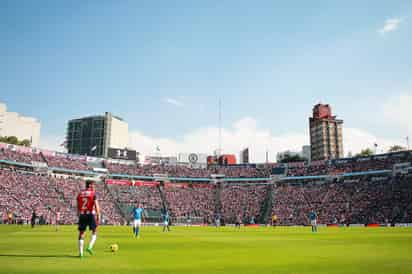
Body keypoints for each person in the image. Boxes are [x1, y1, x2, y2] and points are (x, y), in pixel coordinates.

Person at [77, 180, 100, 258]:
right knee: (95, 231)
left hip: (82, 214)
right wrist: (98, 216)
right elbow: (96, 206)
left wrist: (79, 215)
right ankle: (90, 247)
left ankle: (81, 253)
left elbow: (78, 207)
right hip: (90, 214)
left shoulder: (79, 194)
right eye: (93, 185)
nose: (94, 187)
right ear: (89, 185)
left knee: (81, 233)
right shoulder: (93, 194)